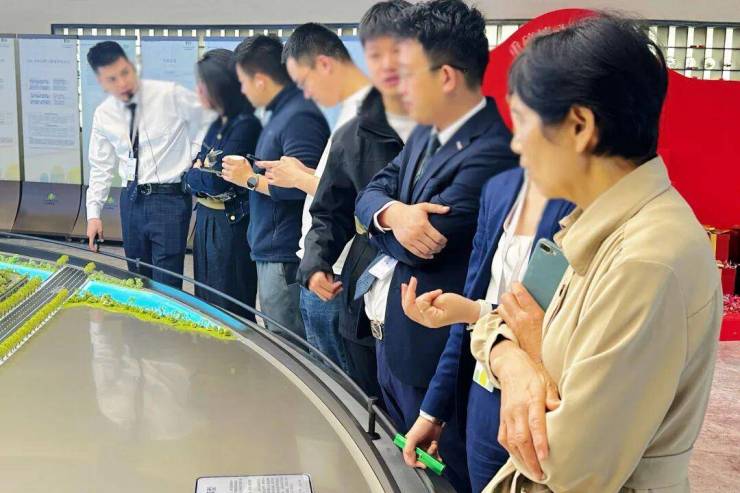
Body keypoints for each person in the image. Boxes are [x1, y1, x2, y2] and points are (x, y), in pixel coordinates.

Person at [466, 15, 722, 492]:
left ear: (580, 127)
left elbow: (569, 464)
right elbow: (500, 320)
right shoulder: (588, 226)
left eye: (522, 122)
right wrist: (514, 363)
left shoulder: (645, 260)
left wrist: (534, 353)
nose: (516, 144)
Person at [354, 1, 519, 490]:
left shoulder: (493, 150)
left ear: (445, 76)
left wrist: (382, 221)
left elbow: (423, 248)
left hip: (441, 352)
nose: (398, 86)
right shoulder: (427, 133)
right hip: (398, 336)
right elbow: (369, 193)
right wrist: (394, 214)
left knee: (445, 477)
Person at [399, 169, 573, 491]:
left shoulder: (584, 198)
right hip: (482, 401)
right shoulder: (499, 188)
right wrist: (433, 412)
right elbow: (470, 308)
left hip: (546, 409)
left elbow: (565, 320)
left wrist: (474, 312)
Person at [296, 0, 415, 397]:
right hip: (364, 291)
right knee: (366, 400)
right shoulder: (355, 133)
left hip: (431, 295)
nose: (387, 65)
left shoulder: (449, 129)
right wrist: (316, 262)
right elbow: (329, 210)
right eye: (375, 55)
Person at [259, 22, 372, 370]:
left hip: (337, 268)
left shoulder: (367, 115)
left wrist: (297, 178)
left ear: (324, 64)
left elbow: (361, 198)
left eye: (304, 82)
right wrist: (304, 173)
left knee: (338, 380)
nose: (306, 94)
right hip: (324, 263)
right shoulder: (351, 109)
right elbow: (342, 182)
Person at [221, 35, 329, 339]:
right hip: (271, 246)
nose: (242, 91)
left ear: (260, 79)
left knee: (290, 343)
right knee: (280, 335)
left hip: (284, 252)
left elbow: (304, 186)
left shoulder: (299, 116)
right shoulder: (282, 113)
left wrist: (249, 179)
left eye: (242, 82)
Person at [86, 41, 212, 288]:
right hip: (131, 200)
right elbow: (100, 167)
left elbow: (206, 118)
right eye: (112, 79)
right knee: (137, 279)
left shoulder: (169, 95)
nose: (122, 83)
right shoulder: (103, 114)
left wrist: (193, 156)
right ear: (101, 82)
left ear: (131, 66)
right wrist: (93, 214)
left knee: (167, 283)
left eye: (125, 73)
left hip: (169, 199)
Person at [184, 49, 261, 321]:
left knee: (229, 308)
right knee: (205, 303)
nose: (199, 90)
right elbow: (189, 175)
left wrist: (198, 172)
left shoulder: (246, 124)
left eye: (204, 84)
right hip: (207, 220)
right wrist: (198, 173)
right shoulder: (218, 123)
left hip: (230, 226)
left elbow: (218, 182)